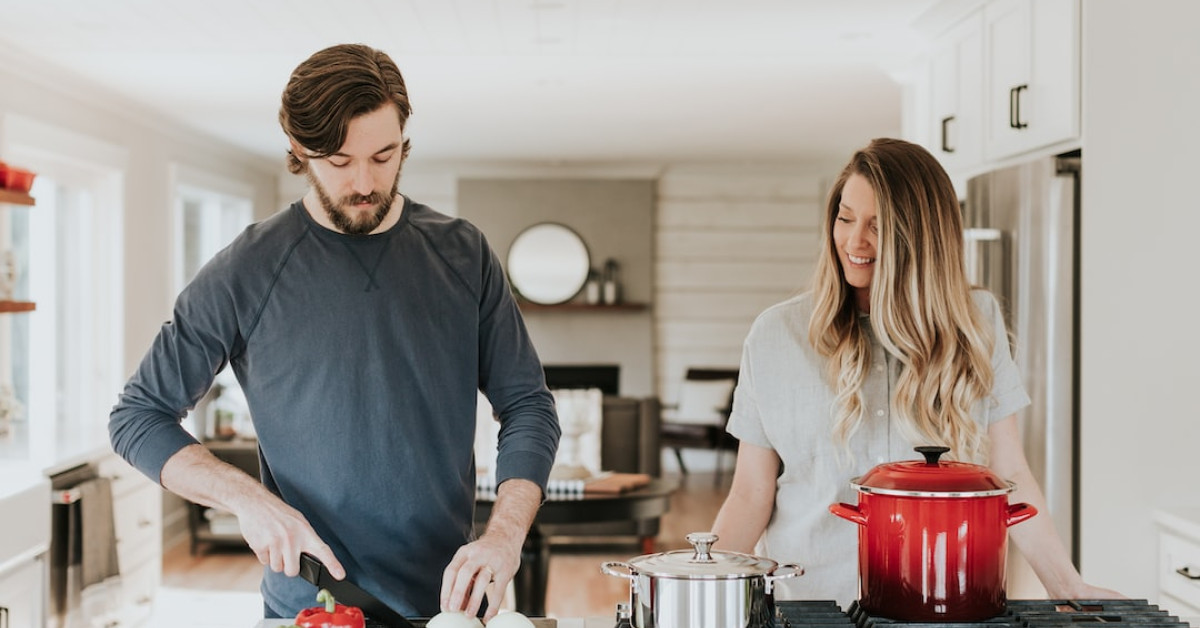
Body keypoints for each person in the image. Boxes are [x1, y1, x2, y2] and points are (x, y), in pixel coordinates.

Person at [109, 43, 560, 621]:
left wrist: (503, 537)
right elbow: (137, 416)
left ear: (404, 140)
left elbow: (527, 405)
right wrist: (248, 499)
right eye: (339, 161)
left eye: (384, 154)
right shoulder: (248, 267)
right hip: (313, 608)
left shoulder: (461, 252)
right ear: (298, 150)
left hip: (451, 608)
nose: (366, 182)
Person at [710, 138, 1119, 607]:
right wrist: (699, 594)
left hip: (947, 606)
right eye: (845, 218)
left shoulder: (976, 322)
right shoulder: (775, 335)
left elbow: (1009, 472)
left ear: (922, 238)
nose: (854, 241)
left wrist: (1065, 585)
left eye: (878, 228)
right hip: (810, 608)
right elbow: (749, 493)